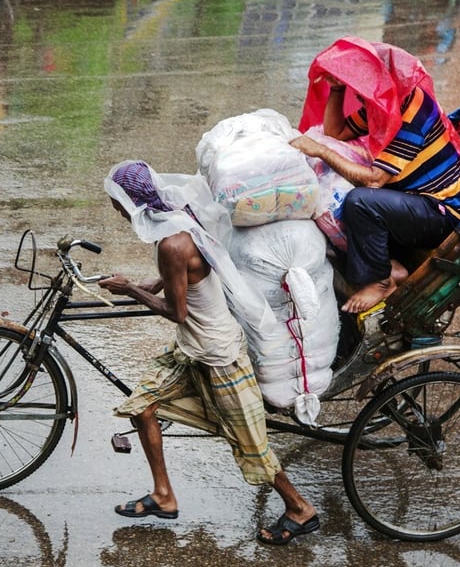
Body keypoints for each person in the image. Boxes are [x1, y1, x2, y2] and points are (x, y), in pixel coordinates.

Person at [98, 161, 318, 546]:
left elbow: (176, 311)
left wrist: (131, 290)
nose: (116, 209)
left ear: (132, 202)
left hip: (219, 356)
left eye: (118, 201)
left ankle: (300, 508)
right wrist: (144, 282)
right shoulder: (177, 221)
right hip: (191, 349)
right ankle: (163, 496)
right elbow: (181, 276)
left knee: (251, 445)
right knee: (142, 407)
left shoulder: (171, 243)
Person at [290, 37, 460, 313]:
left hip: (439, 211)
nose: (359, 94)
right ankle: (391, 266)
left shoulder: (414, 108)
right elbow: (336, 132)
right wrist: (336, 89)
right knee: (334, 191)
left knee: (360, 201)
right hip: (409, 199)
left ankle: (380, 281)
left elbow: (374, 179)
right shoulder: (380, 105)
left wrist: (320, 151)